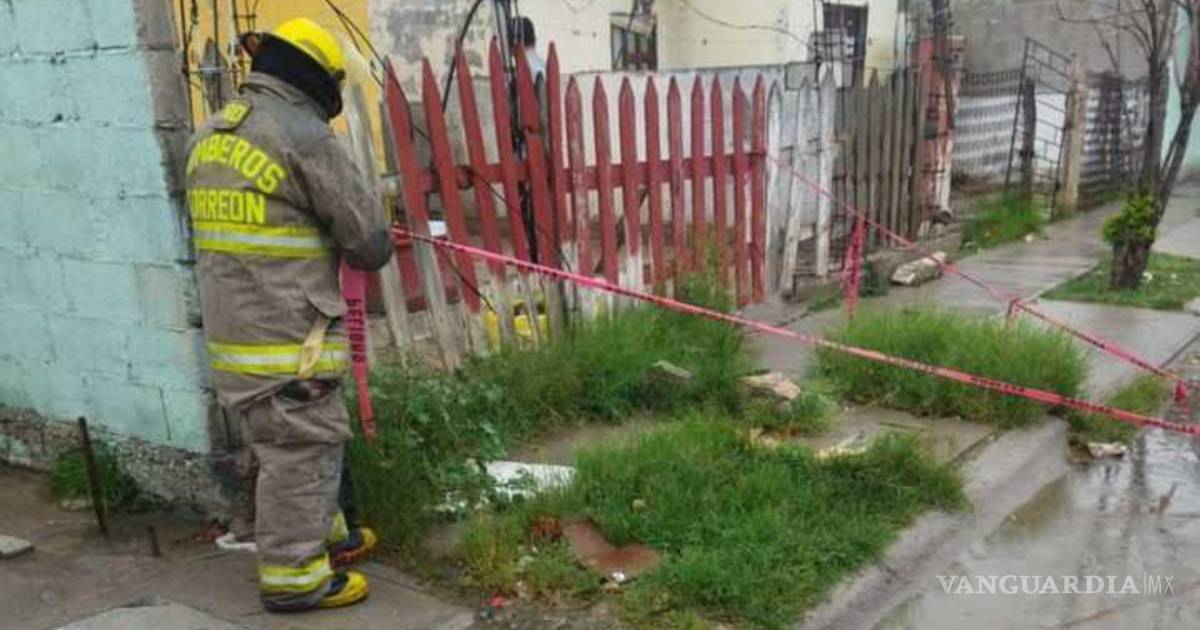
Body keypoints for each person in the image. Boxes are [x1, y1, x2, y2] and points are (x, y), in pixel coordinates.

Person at [185, 17, 393, 612]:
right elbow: (368, 243)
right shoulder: (301, 135)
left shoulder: (211, 135)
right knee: (302, 451)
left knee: (284, 446)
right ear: (318, 80)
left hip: (236, 339)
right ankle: (294, 578)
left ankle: (327, 538)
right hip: (290, 339)